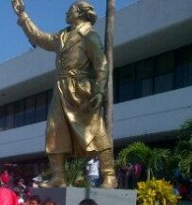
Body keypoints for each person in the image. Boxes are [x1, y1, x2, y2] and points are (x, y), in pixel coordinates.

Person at [11, 0, 117, 189]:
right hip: (61, 90)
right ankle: (58, 176)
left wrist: (100, 91)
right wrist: (22, 15)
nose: (66, 13)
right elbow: (39, 37)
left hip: (82, 90)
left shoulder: (89, 36)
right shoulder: (62, 36)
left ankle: (109, 176)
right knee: (54, 131)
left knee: (96, 131)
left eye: (71, 10)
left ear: (81, 13)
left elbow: (101, 66)